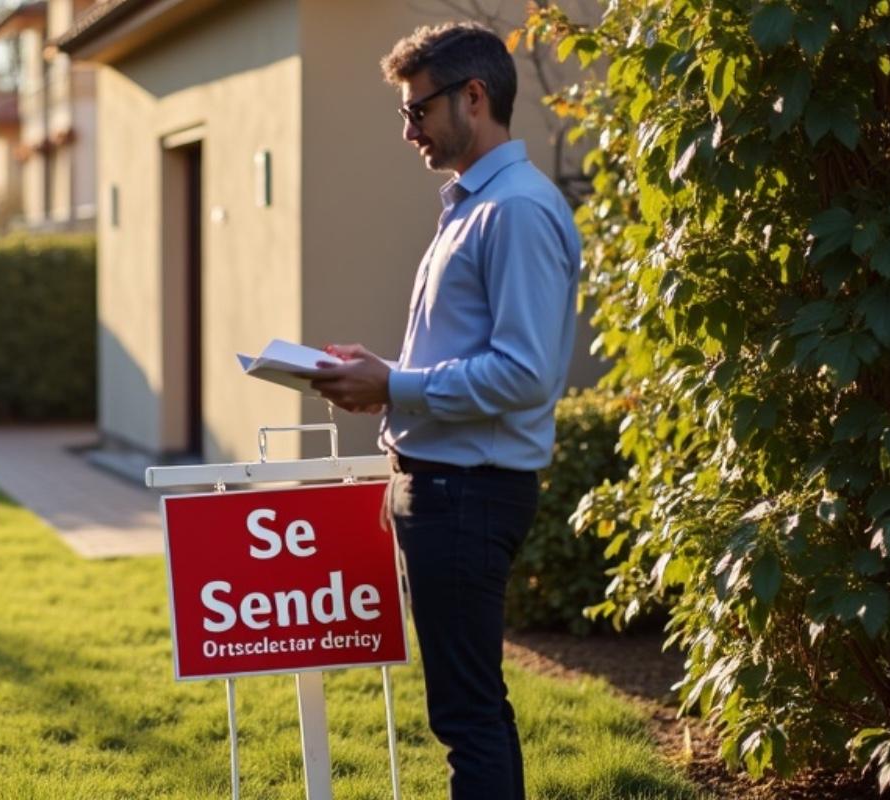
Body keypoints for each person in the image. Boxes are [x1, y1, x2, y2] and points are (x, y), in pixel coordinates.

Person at [310, 22, 581, 800]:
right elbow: (467, 355)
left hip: (467, 492)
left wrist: (394, 384)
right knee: (472, 709)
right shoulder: (473, 205)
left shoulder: (515, 210)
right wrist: (383, 374)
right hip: (446, 487)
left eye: (418, 110)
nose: (409, 131)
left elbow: (524, 374)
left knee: (467, 716)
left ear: (474, 96)